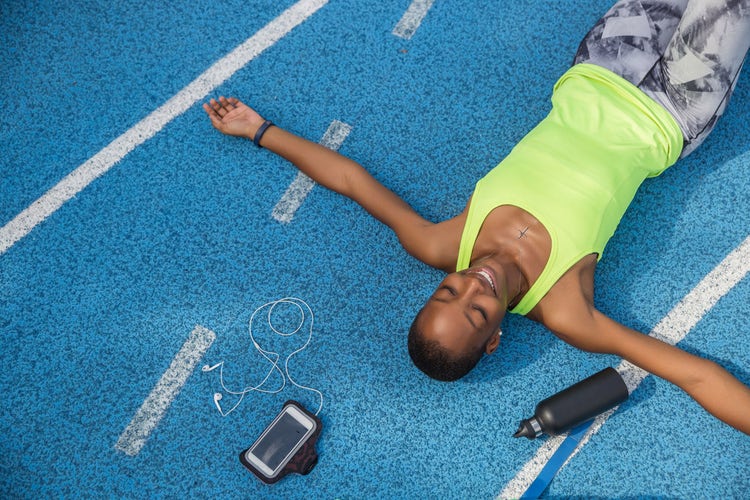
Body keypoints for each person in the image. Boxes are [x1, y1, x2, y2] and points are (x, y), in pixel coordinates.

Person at [203, 0, 750, 435]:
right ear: (493, 339)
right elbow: (694, 374)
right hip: (675, 104)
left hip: (602, 66)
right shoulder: (565, 311)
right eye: (476, 313)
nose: (472, 286)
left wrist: (259, 131)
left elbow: (350, 181)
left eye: (446, 293)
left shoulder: (442, 243)